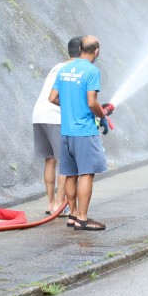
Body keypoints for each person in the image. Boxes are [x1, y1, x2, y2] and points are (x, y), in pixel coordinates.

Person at [49, 35, 108, 231]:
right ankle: (82, 218)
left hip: (66, 131)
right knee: (86, 174)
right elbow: (92, 102)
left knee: (70, 174)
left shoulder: (64, 69)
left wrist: (70, 107)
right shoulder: (92, 71)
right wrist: (103, 116)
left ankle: (72, 215)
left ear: (81, 48)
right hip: (84, 131)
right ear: (96, 51)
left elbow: (52, 98)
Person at [31, 36, 81, 216]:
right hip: (54, 116)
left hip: (39, 114)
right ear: (82, 51)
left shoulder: (57, 66)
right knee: (66, 162)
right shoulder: (74, 69)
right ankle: (60, 205)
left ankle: (51, 202)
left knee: (50, 159)